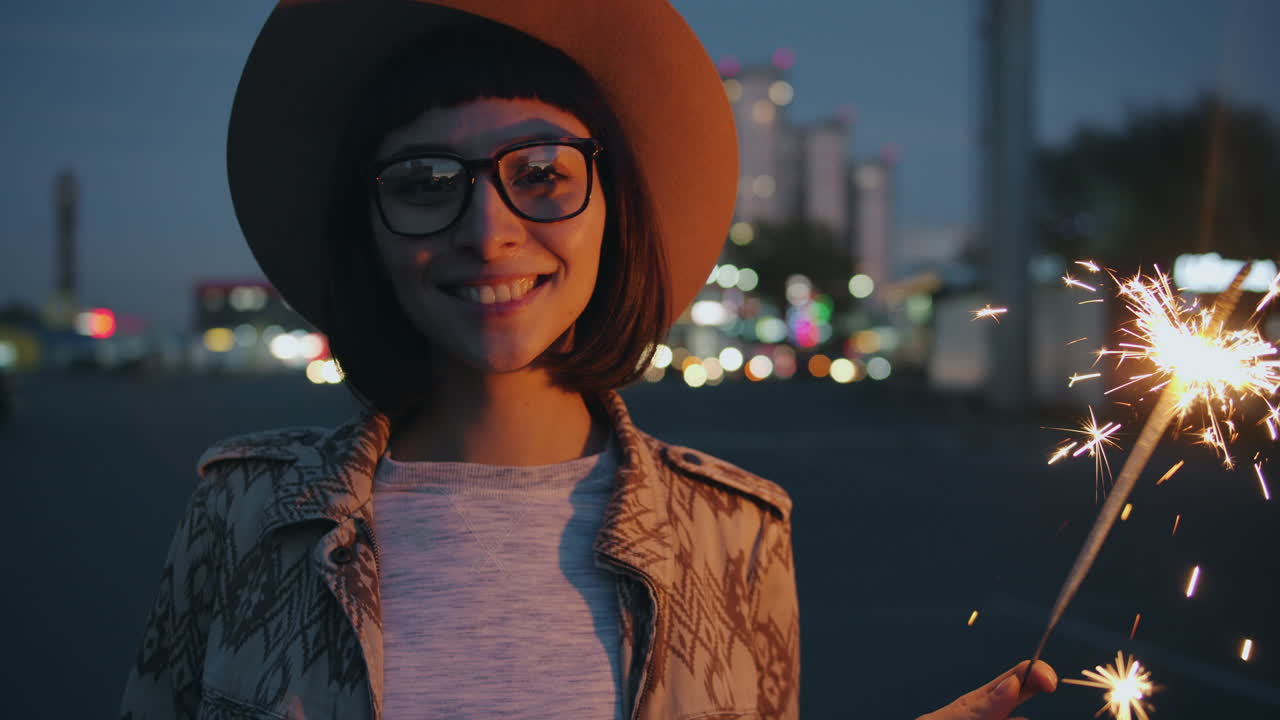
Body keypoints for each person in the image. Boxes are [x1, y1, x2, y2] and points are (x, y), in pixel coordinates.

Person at [119, 2, 1055, 718]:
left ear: (612, 210)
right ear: (365, 233)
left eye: (541, 176)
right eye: (423, 184)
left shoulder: (736, 532)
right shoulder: (242, 513)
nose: (488, 232)